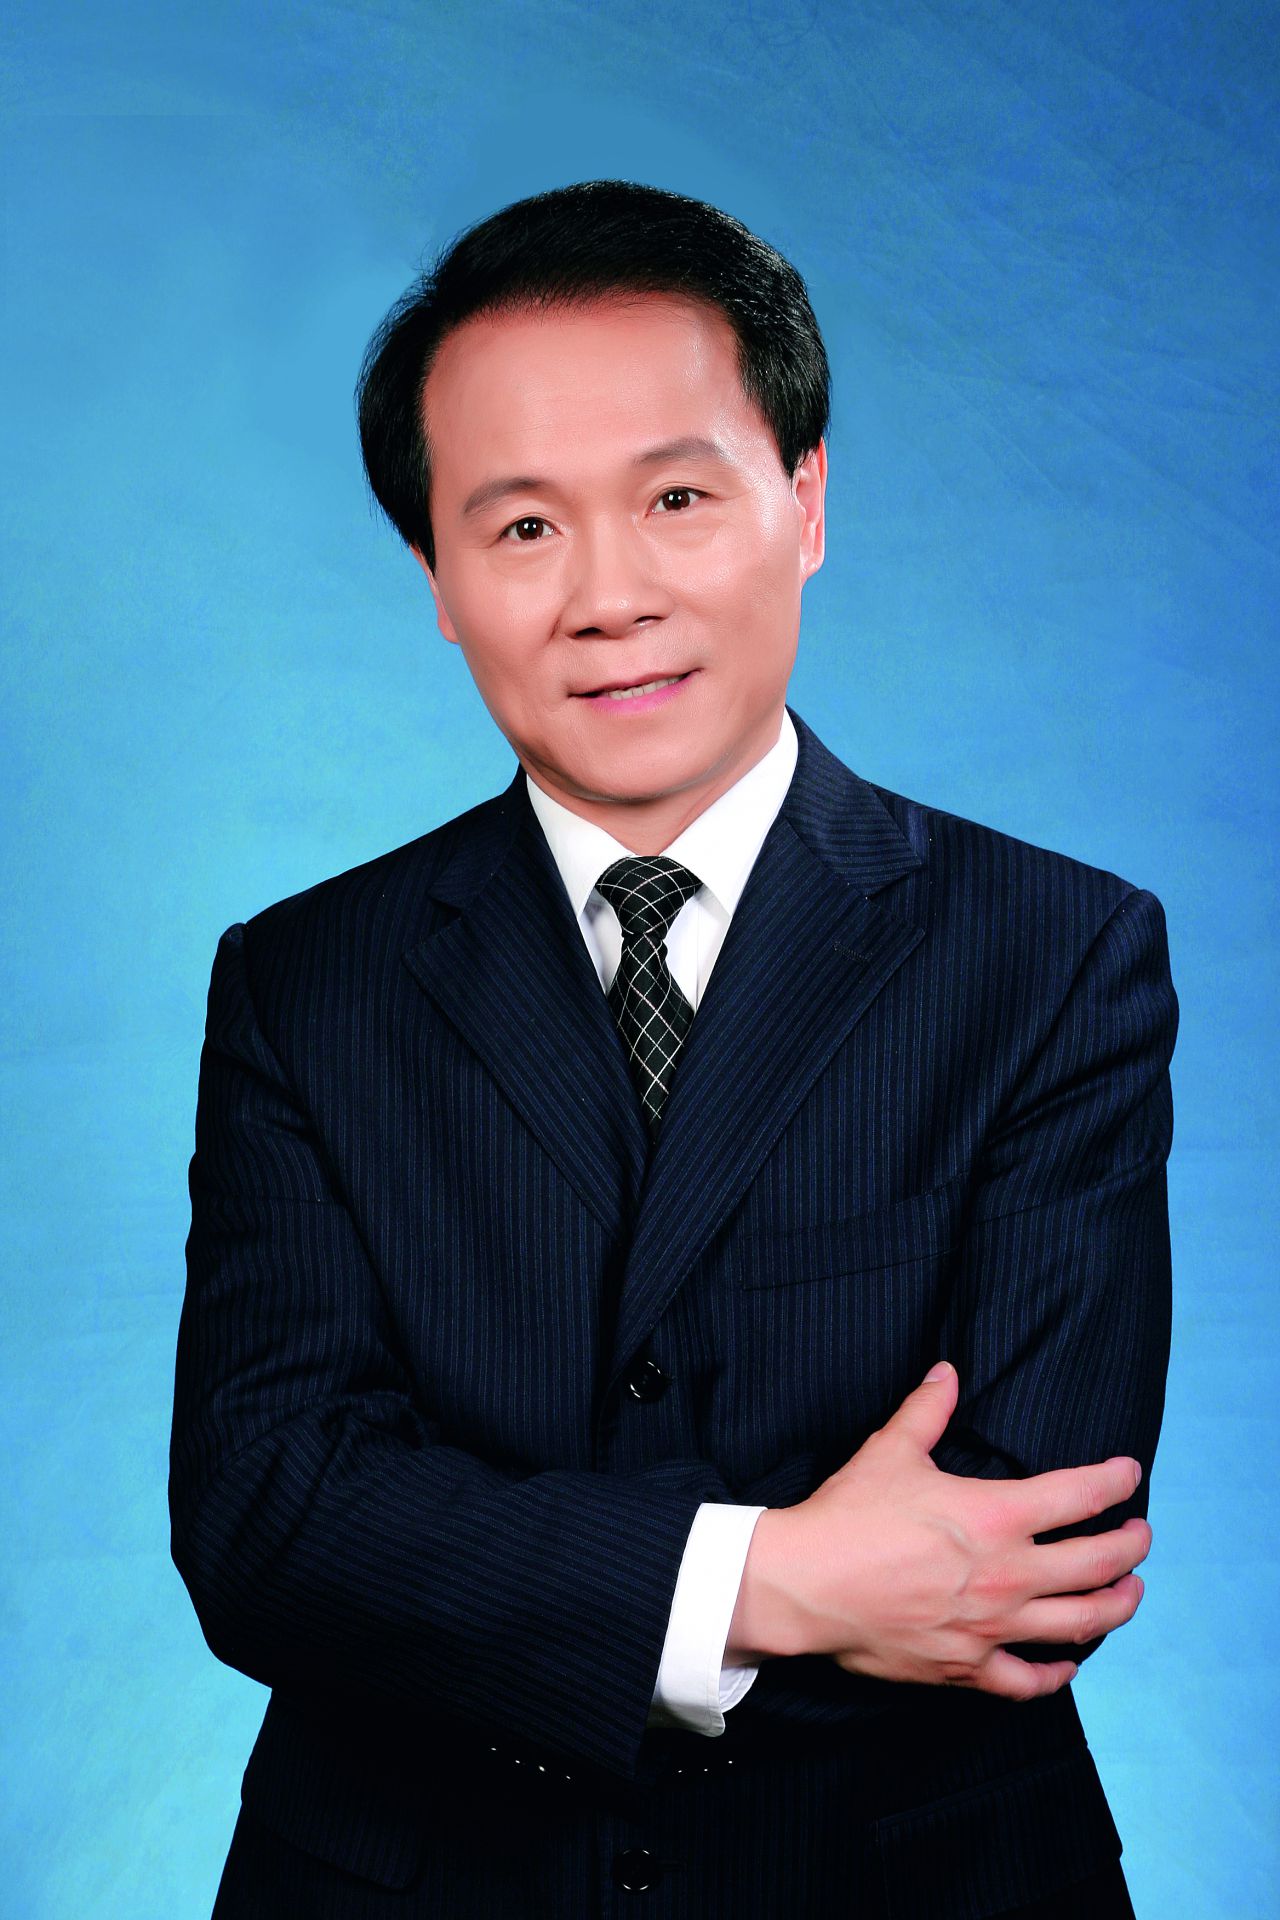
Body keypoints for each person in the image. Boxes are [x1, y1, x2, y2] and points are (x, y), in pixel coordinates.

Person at [170, 180, 1178, 1918]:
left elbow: (1023, 1560)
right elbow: (268, 1525)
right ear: (436, 582)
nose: (609, 596)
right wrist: (765, 1580)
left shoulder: (1053, 955)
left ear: (807, 503)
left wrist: (476, 1585)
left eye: (678, 499)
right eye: (522, 527)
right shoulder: (305, 984)